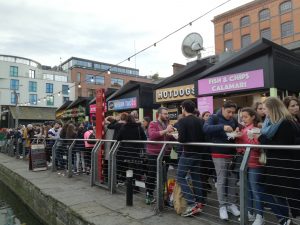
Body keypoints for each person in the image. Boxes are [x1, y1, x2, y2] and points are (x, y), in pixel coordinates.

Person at [258, 97, 298, 225]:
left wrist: (261, 138)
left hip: (284, 165)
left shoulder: (285, 123)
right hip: (278, 165)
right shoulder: (276, 123)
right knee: (278, 192)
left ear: (273, 109)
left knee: (287, 193)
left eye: (266, 109)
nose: (264, 112)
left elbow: (282, 145)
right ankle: (285, 219)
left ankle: (288, 218)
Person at [203, 100, 240, 220]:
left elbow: (239, 127)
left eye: (233, 112)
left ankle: (231, 204)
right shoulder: (213, 117)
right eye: (229, 111)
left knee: (232, 180)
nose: (230, 114)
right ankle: (222, 206)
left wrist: (238, 131)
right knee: (222, 179)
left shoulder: (233, 119)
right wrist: (222, 127)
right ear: (223, 108)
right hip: (218, 153)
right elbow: (206, 128)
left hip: (232, 153)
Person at [235, 107, 264, 225]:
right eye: (242, 117)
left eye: (246, 116)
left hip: (255, 163)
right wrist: (237, 137)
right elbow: (240, 148)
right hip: (246, 163)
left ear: (253, 116)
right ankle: (251, 213)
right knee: (248, 190)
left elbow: (258, 147)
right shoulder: (245, 128)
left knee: (255, 190)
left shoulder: (257, 128)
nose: (244, 119)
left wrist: (250, 138)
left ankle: (260, 216)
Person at [176, 100, 206, 217]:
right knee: (196, 177)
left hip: (188, 153)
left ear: (183, 108)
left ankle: (191, 202)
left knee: (180, 176)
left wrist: (177, 137)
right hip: (198, 152)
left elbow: (182, 139)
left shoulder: (182, 121)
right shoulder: (201, 121)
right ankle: (199, 202)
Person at [145, 107, 175, 205]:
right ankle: (149, 194)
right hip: (154, 154)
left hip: (165, 153)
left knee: (163, 176)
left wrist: (174, 135)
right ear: (159, 114)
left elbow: (167, 137)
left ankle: (162, 196)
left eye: (167, 114)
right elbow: (152, 135)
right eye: (165, 114)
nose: (167, 116)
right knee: (152, 174)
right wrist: (166, 130)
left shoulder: (166, 124)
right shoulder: (153, 123)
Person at [117, 114, 147, 192]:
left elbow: (118, 138)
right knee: (138, 170)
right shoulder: (138, 127)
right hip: (137, 152)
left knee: (130, 169)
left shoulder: (123, 127)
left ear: (126, 120)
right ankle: (137, 187)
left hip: (127, 152)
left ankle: (131, 185)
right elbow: (144, 138)